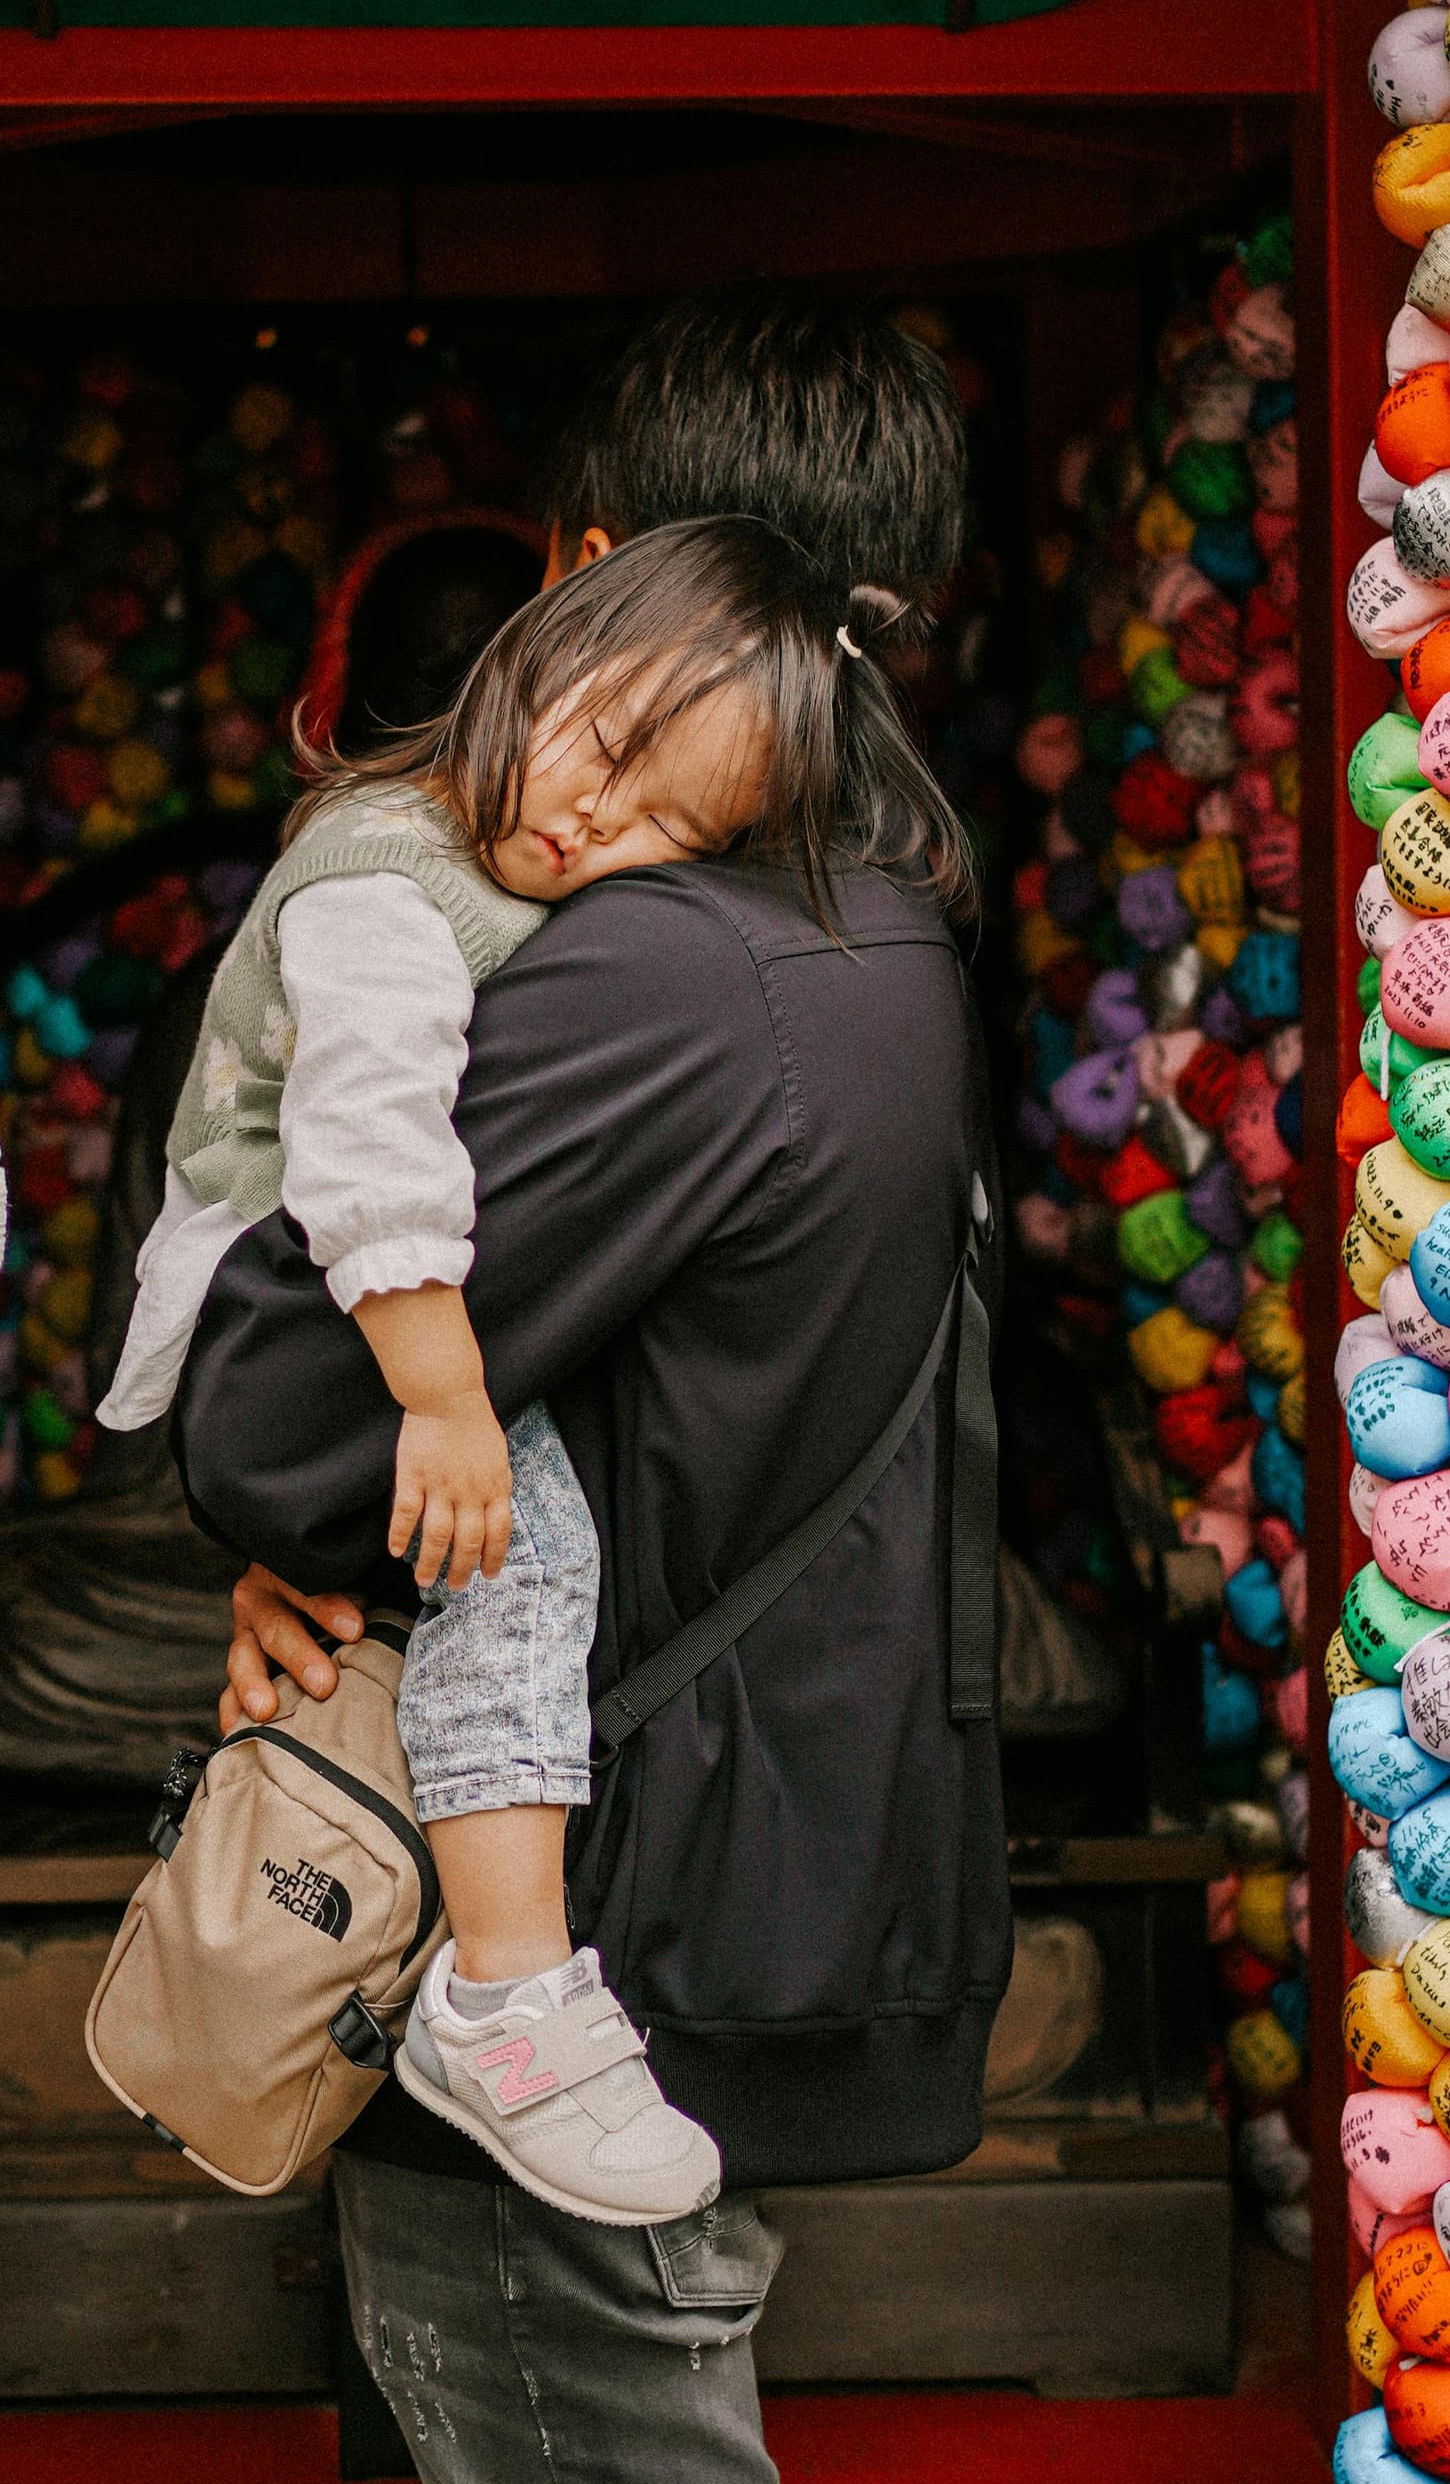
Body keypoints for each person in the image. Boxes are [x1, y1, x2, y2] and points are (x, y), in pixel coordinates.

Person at [173, 290, 1012, 2483]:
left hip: (586, 1935)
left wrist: (284, 1514)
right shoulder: (873, 922)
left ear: (601, 569)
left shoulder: (661, 972)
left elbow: (278, 1415)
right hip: (720, 1890)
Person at [108, 520, 855, 2229]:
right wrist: (449, 1402)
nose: (601, 818)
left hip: (370, 1303)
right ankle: (505, 1990)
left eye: (670, 825)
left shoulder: (511, 874)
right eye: (605, 746)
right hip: (295, 1304)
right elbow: (371, 1156)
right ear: (536, 644)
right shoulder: (384, 878)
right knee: (525, 1547)